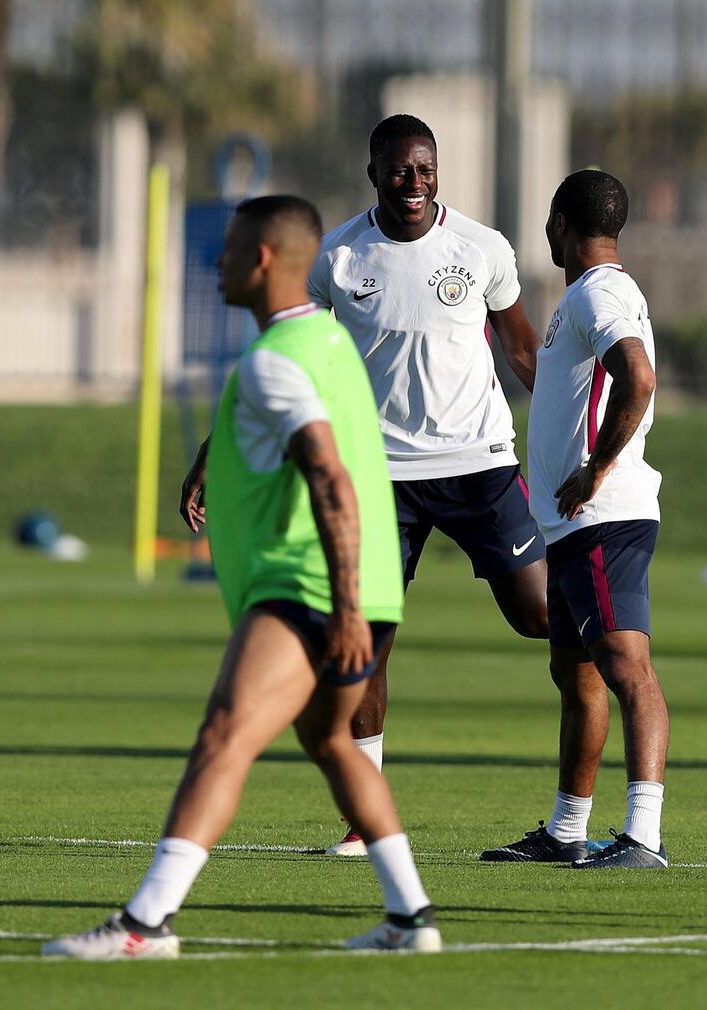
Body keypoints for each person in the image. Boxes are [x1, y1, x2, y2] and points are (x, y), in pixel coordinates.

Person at [42, 195, 441, 959]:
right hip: (362, 590)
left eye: (227, 252)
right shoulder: (327, 340)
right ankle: (410, 916)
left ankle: (144, 924)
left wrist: (345, 605)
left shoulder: (272, 362)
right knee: (331, 743)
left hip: (308, 590)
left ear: (260, 261)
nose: (217, 263)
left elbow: (329, 479)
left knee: (223, 735)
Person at [181, 115, 549, 857]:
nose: (414, 182)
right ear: (373, 172)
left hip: (479, 463)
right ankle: (363, 824)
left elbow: (519, 346)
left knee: (546, 616)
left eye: (425, 169)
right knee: (369, 644)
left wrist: (575, 438)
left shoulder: (482, 249)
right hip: (379, 474)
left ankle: (592, 789)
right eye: (399, 170)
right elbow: (290, 356)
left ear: (437, 172)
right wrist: (209, 456)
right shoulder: (339, 256)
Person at [480, 170, 669, 868]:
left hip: (603, 518)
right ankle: (566, 832)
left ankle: (643, 835)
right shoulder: (581, 298)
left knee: (625, 665)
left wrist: (596, 469)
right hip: (567, 525)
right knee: (576, 673)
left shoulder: (604, 291)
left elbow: (638, 376)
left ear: (560, 221)